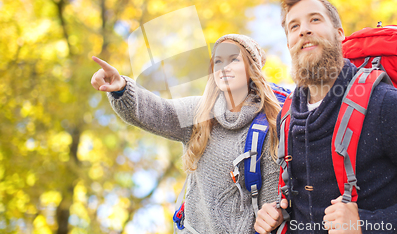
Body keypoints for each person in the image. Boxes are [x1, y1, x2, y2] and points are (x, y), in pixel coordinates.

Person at [254, 0, 397, 234]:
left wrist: (365, 224)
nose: (304, 30)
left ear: (339, 34)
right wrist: (274, 213)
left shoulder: (385, 104)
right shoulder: (287, 115)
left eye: (315, 19)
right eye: (294, 26)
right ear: (290, 44)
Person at [91, 34, 289, 234]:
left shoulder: (270, 125)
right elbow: (156, 111)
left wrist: (274, 214)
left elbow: (272, 203)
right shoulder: (200, 113)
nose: (224, 67)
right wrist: (121, 88)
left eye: (234, 59)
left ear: (251, 69)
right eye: (218, 61)